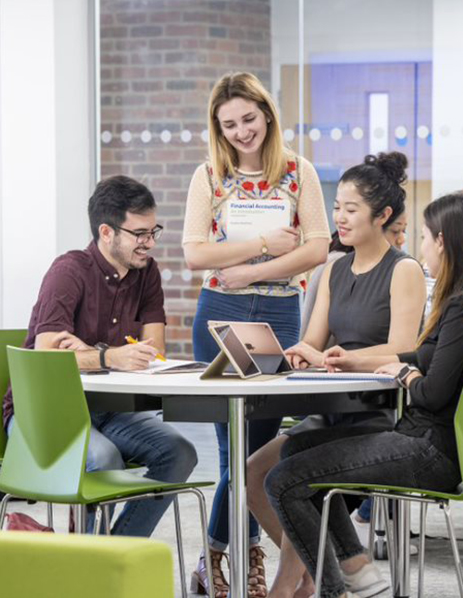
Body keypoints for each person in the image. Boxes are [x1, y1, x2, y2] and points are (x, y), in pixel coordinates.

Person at [265, 192, 463, 598]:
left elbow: (432, 392)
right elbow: (426, 356)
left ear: (443, 241)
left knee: (284, 481)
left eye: (424, 236)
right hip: (436, 444)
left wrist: (405, 373)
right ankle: (355, 570)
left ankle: (338, 587)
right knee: (295, 451)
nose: (420, 245)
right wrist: (351, 360)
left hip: (428, 450)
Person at [247, 152, 425, 598]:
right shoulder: (333, 268)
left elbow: (406, 349)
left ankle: (292, 585)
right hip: (330, 411)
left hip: (376, 416)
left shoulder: (404, 270)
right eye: (337, 207)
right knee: (254, 472)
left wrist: (351, 359)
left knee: (290, 473)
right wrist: (307, 354)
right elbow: (317, 341)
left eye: (350, 209)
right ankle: (314, 574)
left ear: (382, 215)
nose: (339, 218)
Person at [182, 71, 331, 597]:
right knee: (230, 451)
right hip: (220, 312)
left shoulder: (298, 172)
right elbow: (196, 253)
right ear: (217, 129)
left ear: (266, 114)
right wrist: (262, 246)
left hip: (279, 315)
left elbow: (317, 247)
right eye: (229, 124)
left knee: (257, 453)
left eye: (249, 118)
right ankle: (234, 559)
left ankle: (218, 558)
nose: (242, 131)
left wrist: (252, 271)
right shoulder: (210, 175)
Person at [2, 175, 198, 537]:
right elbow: (47, 352)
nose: (150, 243)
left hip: (110, 410)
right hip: (44, 414)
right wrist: (110, 358)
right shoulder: (69, 271)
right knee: (103, 457)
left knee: (180, 453)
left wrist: (90, 352)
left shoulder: (147, 273)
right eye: (140, 234)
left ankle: (112, 551)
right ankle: (95, 565)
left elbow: (153, 350)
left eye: (154, 231)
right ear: (107, 232)